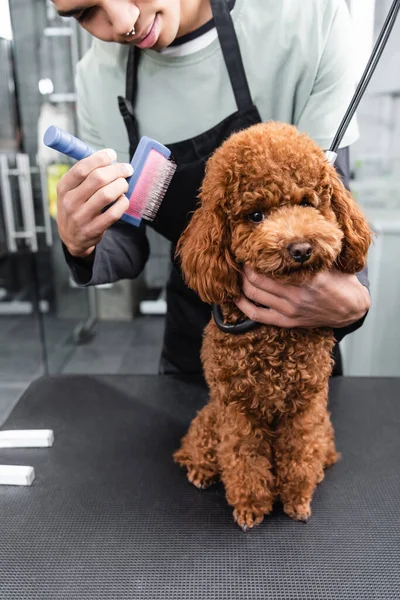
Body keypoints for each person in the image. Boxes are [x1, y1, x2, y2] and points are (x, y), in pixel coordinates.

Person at [54, 0, 371, 375]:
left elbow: (333, 198)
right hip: (195, 336)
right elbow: (125, 237)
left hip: (302, 332)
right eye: (85, 12)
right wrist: (81, 244)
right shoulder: (96, 78)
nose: (123, 23)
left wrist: (352, 302)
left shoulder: (309, 21)